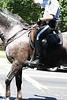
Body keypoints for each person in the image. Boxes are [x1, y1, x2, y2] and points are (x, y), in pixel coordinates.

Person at [26, 0, 60, 67]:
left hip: (51, 25)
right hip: (46, 24)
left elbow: (51, 17)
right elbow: (36, 1)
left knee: (37, 36)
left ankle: (39, 60)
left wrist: (41, 19)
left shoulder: (54, 2)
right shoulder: (47, 1)